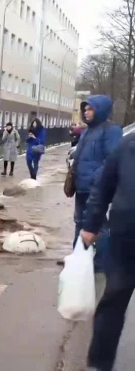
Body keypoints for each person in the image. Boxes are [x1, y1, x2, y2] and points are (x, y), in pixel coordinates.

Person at [80, 130, 135, 371]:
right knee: (113, 300)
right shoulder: (127, 146)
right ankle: (99, 364)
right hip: (127, 241)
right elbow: (103, 187)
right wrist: (91, 224)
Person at [73, 95, 123, 273]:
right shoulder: (87, 131)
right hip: (81, 186)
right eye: (85, 109)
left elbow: (111, 160)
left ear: (100, 109)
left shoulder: (111, 130)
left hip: (96, 189)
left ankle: (101, 264)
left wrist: (96, 178)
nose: (86, 112)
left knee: (98, 226)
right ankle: (77, 258)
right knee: (80, 223)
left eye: (90, 109)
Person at [25, 115, 47, 180]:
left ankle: (34, 176)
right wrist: (29, 137)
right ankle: (32, 174)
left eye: (35, 123)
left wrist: (34, 137)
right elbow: (26, 140)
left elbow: (42, 141)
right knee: (28, 161)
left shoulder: (42, 131)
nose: (34, 125)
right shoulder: (31, 130)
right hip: (30, 147)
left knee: (35, 162)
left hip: (37, 148)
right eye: (33, 123)